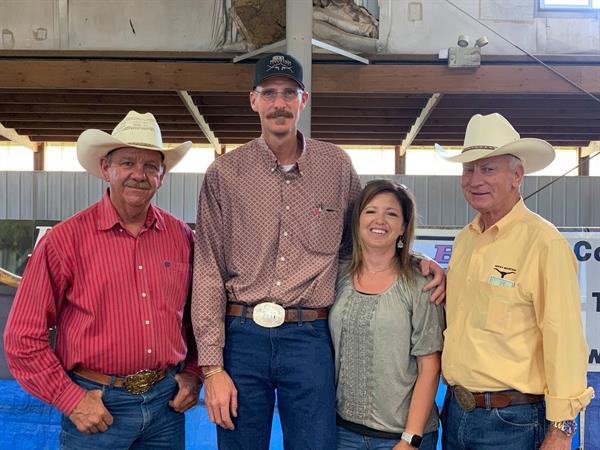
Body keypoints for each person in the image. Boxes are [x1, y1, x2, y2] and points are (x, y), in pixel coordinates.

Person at [191, 52, 446, 450]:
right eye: (270, 93)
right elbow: (207, 268)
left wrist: (412, 262)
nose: (280, 103)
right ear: (254, 100)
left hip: (309, 335)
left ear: (303, 100)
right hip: (241, 336)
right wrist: (212, 368)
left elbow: (367, 233)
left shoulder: (337, 166)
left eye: (289, 93)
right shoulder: (224, 174)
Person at [4, 111, 202, 450]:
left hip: (166, 407)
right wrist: (70, 398)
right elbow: (22, 337)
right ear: (105, 169)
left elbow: (200, 317)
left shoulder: (182, 237)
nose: (138, 175)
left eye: (150, 166)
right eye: (127, 163)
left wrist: (194, 374)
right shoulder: (64, 241)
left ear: (162, 176)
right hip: (97, 407)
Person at [436, 113, 594, 450]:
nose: (475, 180)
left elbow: (563, 339)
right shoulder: (465, 240)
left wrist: (562, 430)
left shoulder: (544, 244)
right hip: (456, 413)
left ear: (517, 175)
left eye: (488, 169)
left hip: (514, 422)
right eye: (469, 169)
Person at [330, 179, 445, 450]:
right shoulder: (337, 275)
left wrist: (410, 439)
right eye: (370, 211)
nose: (379, 220)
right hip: (343, 432)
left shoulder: (421, 283)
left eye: (391, 213)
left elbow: (430, 367)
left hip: (401, 437)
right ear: (357, 220)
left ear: (404, 226)